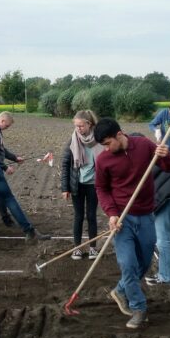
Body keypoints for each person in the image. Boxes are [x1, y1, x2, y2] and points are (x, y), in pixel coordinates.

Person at [94, 118, 170, 330]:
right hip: (122, 219)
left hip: (146, 215)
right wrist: (111, 214)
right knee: (128, 264)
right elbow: (101, 189)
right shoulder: (104, 160)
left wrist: (166, 156)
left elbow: (167, 167)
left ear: (119, 135)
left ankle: (120, 290)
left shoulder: (144, 145)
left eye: (108, 143)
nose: (107, 148)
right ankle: (139, 308)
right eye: (104, 146)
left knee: (144, 263)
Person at [60, 110, 103, 260]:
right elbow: (65, 164)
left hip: (94, 185)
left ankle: (93, 248)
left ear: (89, 124)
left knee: (91, 216)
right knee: (78, 217)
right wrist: (65, 187)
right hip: (77, 185)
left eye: (81, 126)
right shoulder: (73, 140)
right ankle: (77, 248)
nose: (78, 129)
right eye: (76, 126)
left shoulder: (99, 139)